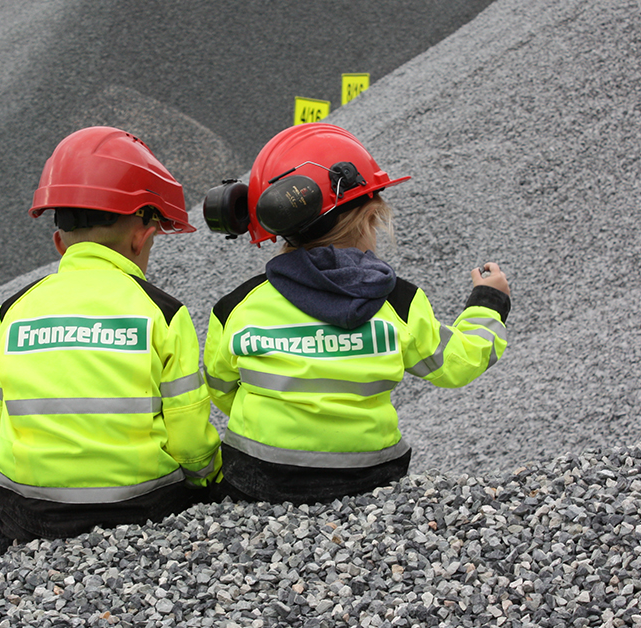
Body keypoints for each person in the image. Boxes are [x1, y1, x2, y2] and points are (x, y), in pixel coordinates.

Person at [0, 126, 222, 566]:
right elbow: (189, 437)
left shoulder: (14, 311)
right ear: (142, 235)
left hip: (32, 510)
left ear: (59, 241)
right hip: (142, 508)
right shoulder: (163, 312)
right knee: (201, 480)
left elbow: (0, 414)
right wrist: (210, 481)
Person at [201, 122, 510, 504]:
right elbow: (460, 364)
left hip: (260, 474)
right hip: (370, 476)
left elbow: (219, 388)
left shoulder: (236, 306)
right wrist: (488, 302)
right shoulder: (399, 302)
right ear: (370, 218)